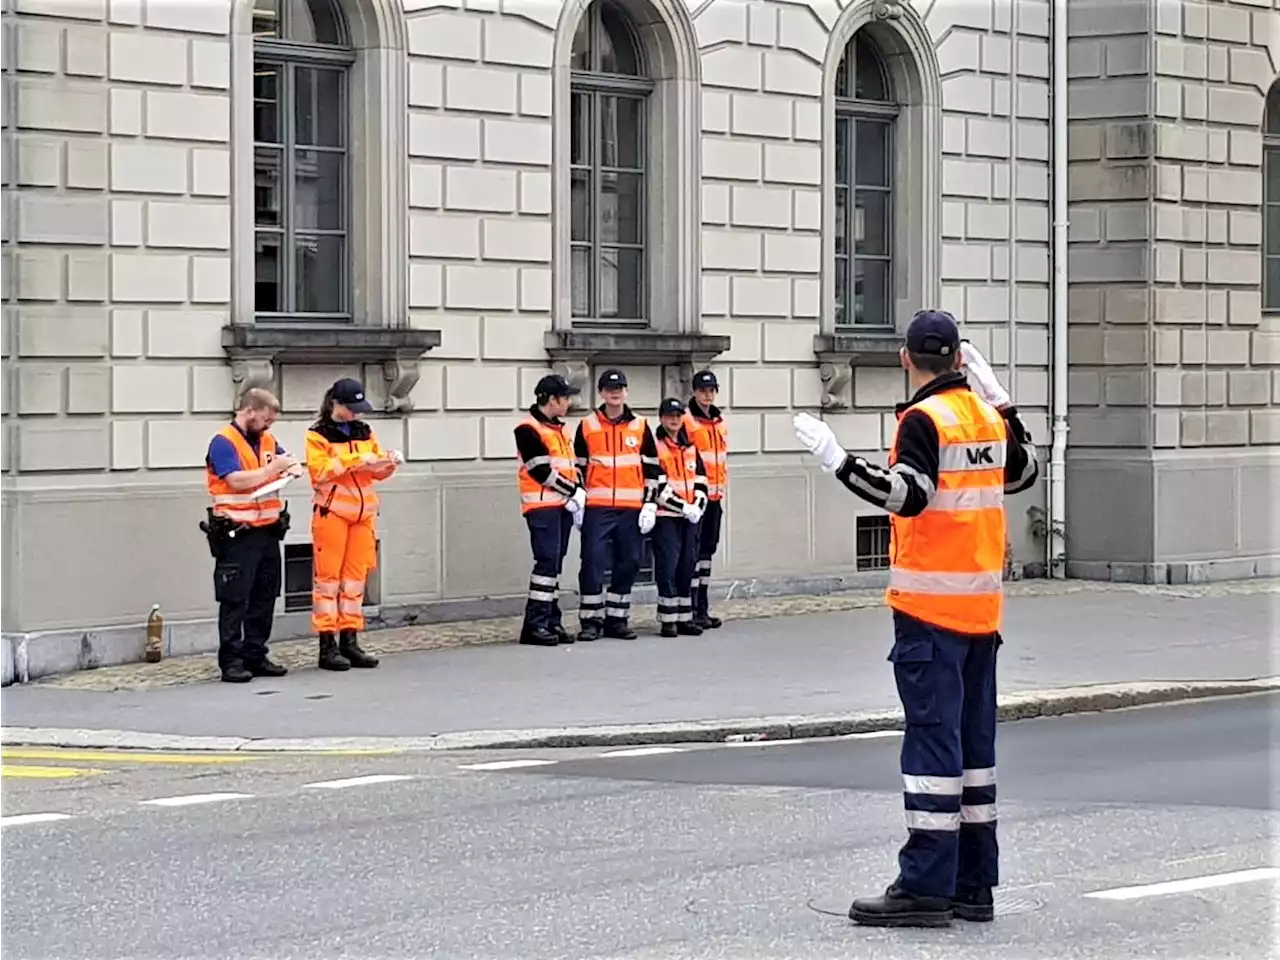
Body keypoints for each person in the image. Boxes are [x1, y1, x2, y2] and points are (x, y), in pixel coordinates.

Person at [793, 310, 1039, 928]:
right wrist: (1003, 400)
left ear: (907, 359)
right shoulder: (982, 414)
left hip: (930, 611)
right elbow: (1025, 471)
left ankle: (925, 885)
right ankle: (974, 884)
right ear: (959, 358)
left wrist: (838, 462)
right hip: (982, 612)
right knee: (974, 750)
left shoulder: (922, 420)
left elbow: (908, 494)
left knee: (933, 746)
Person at [304, 378, 403, 671]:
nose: (358, 414)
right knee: (328, 582)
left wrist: (388, 463)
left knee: (354, 580)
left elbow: (374, 474)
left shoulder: (364, 431)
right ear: (337, 405)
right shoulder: (317, 435)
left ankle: (350, 640)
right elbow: (320, 472)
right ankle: (327, 646)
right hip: (332, 513)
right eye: (353, 408)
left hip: (362, 515)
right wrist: (359, 458)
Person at [204, 388, 300, 683]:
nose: (269, 426)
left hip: (268, 530)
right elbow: (234, 480)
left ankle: (255, 654)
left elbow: (288, 460)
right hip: (237, 533)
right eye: (266, 420)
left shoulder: (268, 440)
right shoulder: (223, 442)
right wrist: (273, 469)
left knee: (264, 597)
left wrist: (291, 469)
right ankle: (231, 661)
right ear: (248, 412)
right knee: (235, 600)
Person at [573, 369, 662, 641]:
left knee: (630, 562)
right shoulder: (587, 425)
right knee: (592, 562)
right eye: (610, 388)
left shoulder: (640, 425)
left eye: (620, 388)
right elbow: (577, 466)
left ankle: (617, 618)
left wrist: (649, 504)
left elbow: (652, 469)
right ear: (600, 393)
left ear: (626, 392)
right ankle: (590, 620)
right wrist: (577, 497)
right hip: (597, 506)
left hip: (630, 507)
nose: (615, 392)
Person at [513, 374, 585, 646]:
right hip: (542, 506)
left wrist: (577, 491)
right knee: (546, 563)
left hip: (560, 505)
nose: (568, 401)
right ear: (552, 400)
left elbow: (570, 465)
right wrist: (573, 491)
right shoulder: (527, 429)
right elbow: (539, 470)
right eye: (565, 397)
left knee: (553, 565)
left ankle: (551, 621)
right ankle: (535, 625)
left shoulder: (560, 429)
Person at [652, 398, 709, 638]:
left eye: (678, 415)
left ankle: (685, 617)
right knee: (668, 565)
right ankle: (668, 619)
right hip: (666, 516)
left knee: (688, 564)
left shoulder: (690, 447)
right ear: (662, 418)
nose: (674, 420)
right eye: (669, 416)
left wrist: (698, 505)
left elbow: (702, 480)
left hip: (689, 518)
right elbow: (657, 486)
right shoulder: (655, 446)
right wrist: (684, 507)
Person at [682, 370, 728, 629]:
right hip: (695, 497)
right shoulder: (687, 420)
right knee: (693, 553)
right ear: (694, 392)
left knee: (707, 552)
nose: (707, 395)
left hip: (715, 496)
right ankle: (689, 608)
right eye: (703, 390)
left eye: (711, 391)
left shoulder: (719, 421)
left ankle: (702, 607)